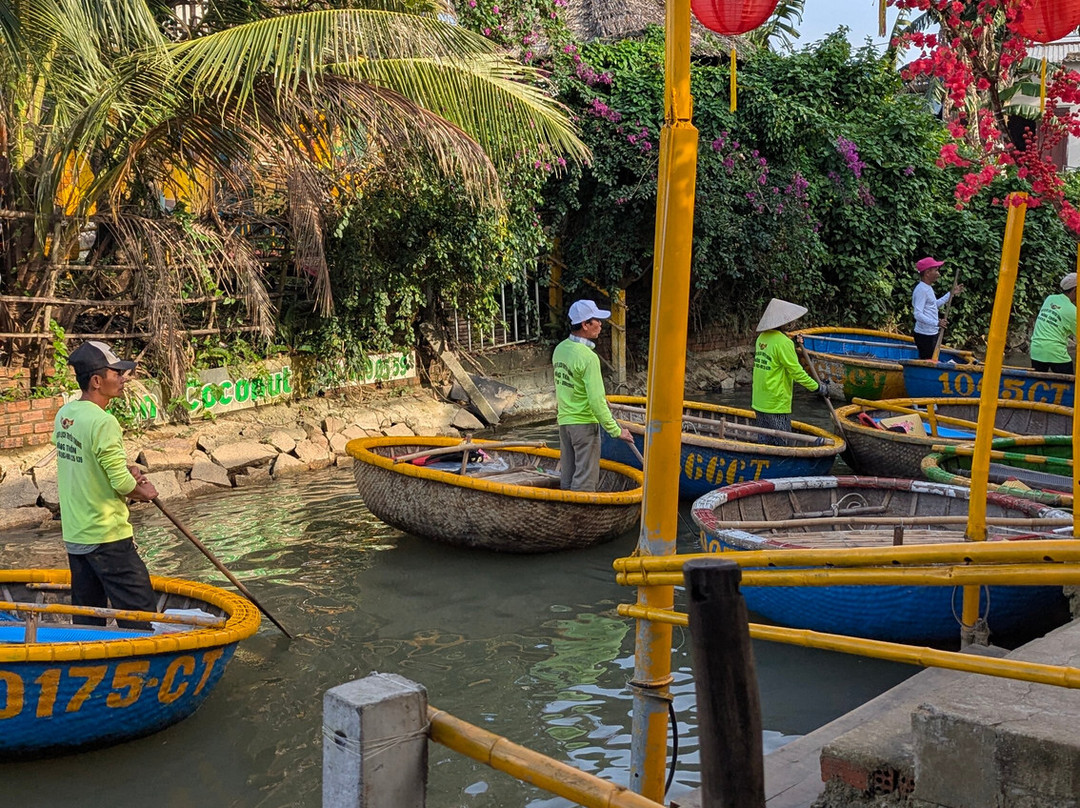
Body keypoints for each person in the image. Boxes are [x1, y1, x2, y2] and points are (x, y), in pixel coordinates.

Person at [53, 341, 159, 629]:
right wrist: (145, 492)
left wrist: (124, 468)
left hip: (76, 535)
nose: (123, 379)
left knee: (88, 616)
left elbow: (87, 460)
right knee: (140, 613)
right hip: (106, 535)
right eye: (117, 374)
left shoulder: (66, 415)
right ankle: (145, 667)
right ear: (97, 381)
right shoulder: (104, 422)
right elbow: (122, 483)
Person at [553, 300, 633, 491]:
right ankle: (578, 520)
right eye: (596, 320)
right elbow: (596, 402)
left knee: (568, 477)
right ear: (585, 325)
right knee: (584, 483)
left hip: (565, 424)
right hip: (584, 424)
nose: (601, 324)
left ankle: (565, 515)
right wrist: (616, 431)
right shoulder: (588, 357)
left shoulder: (560, 349)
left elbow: (570, 386)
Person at [752, 298, 828, 446]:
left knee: (764, 440)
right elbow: (797, 372)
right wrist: (817, 387)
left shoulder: (762, 338)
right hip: (776, 402)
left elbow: (776, 355)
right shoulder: (784, 343)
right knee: (782, 442)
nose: (793, 323)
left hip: (759, 400)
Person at [912, 256, 962, 360]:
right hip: (925, 335)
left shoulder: (927, 288)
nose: (938, 274)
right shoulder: (921, 290)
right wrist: (936, 323)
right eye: (936, 271)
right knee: (928, 361)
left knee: (931, 359)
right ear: (927, 273)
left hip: (931, 333)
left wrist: (951, 294)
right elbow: (917, 314)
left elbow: (933, 305)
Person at [1030, 272, 1078, 375]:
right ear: (1075, 290)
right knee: (1069, 384)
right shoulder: (1073, 311)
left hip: (1036, 350)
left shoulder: (1050, 299)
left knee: (1038, 382)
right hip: (1055, 352)